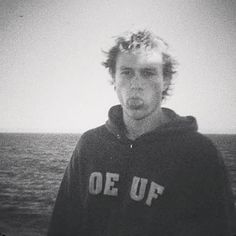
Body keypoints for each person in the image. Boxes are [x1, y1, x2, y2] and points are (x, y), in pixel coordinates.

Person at [47, 30, 235, 236]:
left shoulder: (199, 154)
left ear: (166, 80)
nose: (135, 84)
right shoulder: (90, 144)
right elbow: (62, 225)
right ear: (114, 78)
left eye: (148, 72)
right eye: (127, 72)